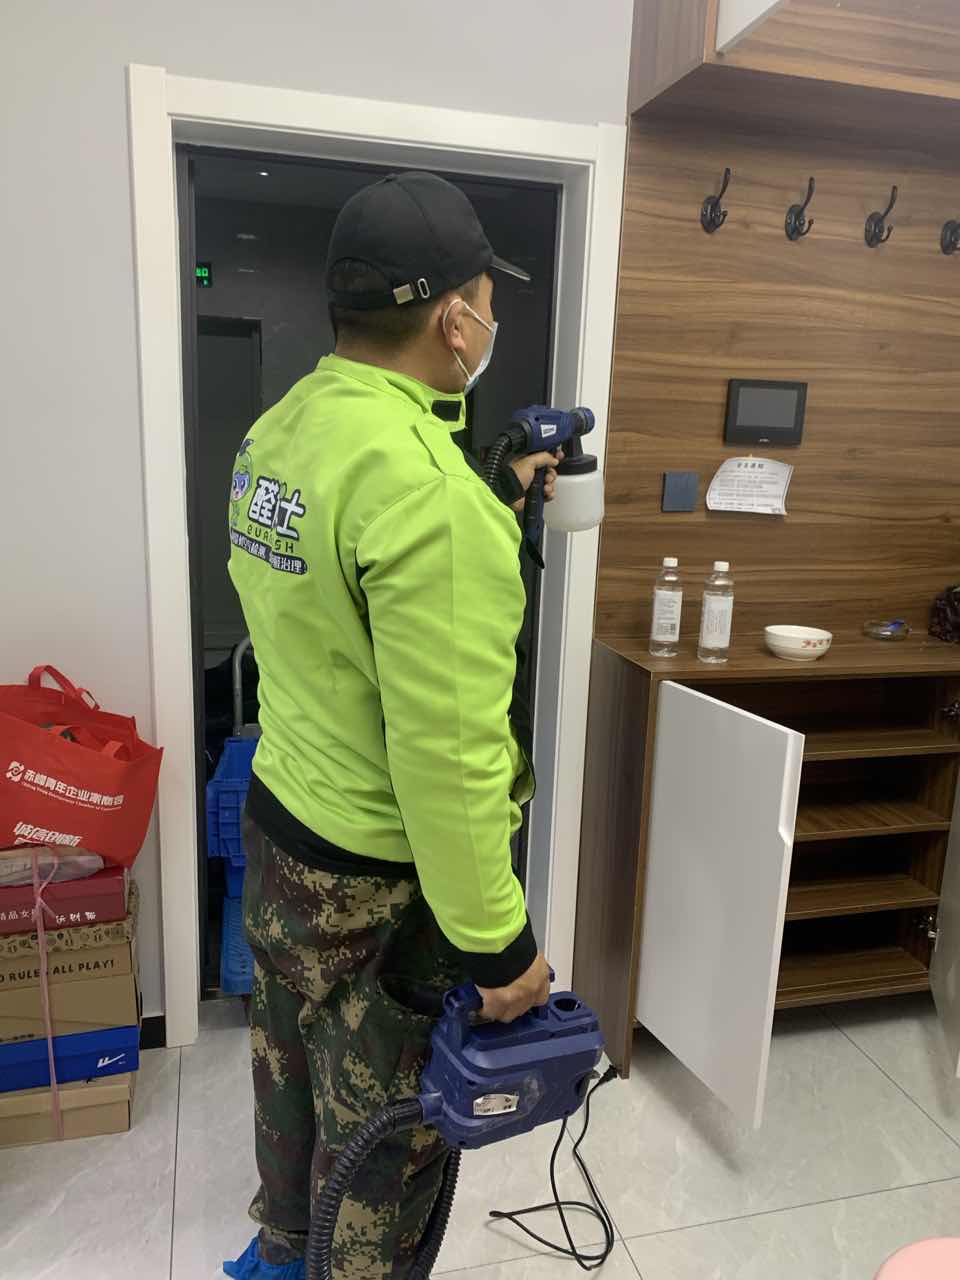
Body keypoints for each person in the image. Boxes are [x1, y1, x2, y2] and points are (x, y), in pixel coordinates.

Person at [224, 171, 557, 1280]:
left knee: (290, 1100)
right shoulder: (425, 495)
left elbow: (335, 607)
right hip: (375, 895)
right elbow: (449, 768)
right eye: (487, 300)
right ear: (455, 320)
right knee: (380, 1161)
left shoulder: (283, 430)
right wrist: (502, 949)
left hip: (283, 834)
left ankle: (282, 1255)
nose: (491, 320)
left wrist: (486, 498)